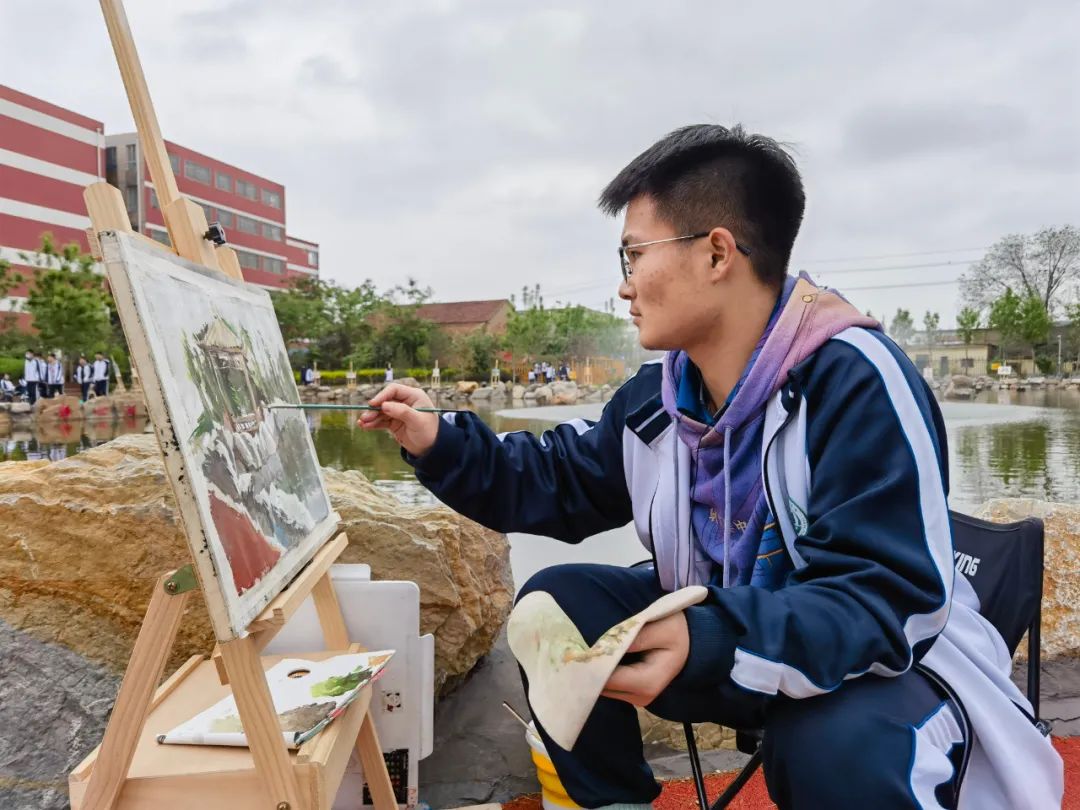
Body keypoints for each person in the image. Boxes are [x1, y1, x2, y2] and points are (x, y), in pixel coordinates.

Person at [360, 125, 1062, 809]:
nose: (625, 287)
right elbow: (559, 481)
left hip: (882, 668)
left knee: (832, 741)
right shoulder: (660, 396)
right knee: (561, 604)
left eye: (633, 255)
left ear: (717, 253)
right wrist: (439, 439)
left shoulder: (854, 381)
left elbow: (890, 602)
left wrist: (713, 636)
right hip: (726, 640)